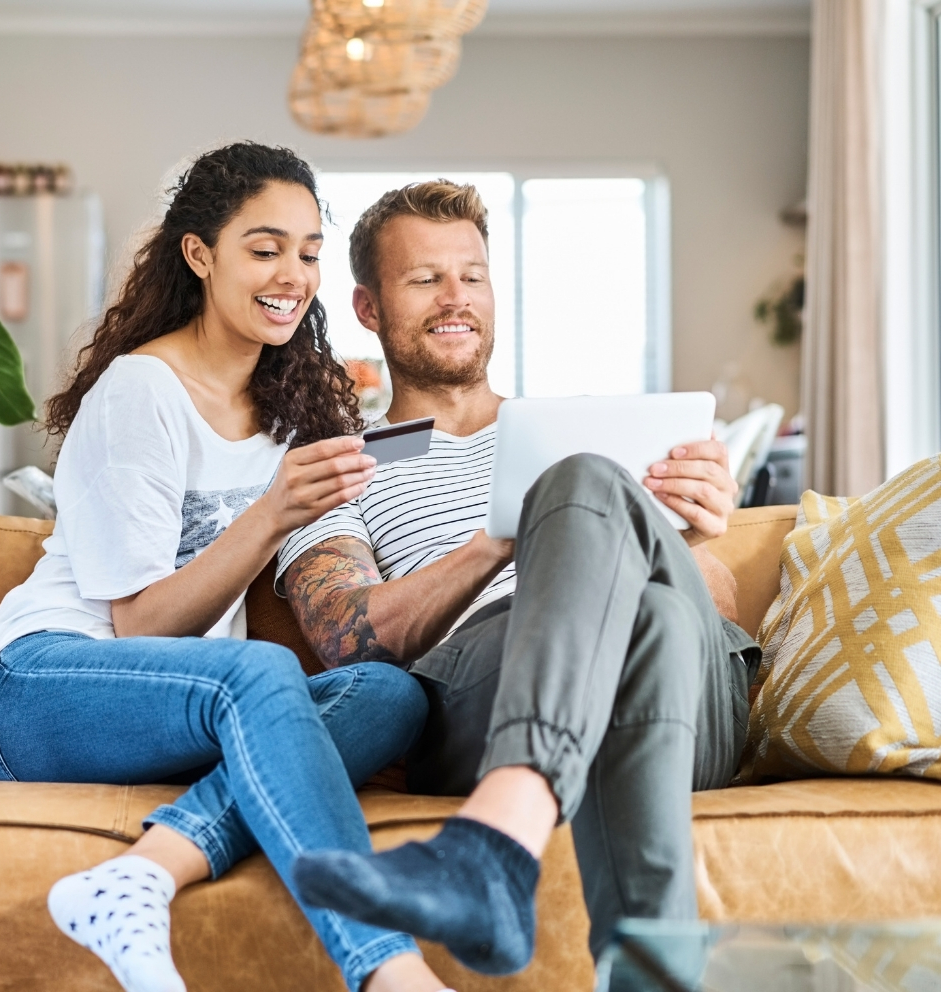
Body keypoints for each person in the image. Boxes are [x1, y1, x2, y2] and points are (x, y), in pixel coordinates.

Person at [0, 145, 457, 992]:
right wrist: (272, 513)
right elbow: (139, 626)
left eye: (308, 253)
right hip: (35, 686)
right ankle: (389, 969)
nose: (292, 275)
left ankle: (140, 874)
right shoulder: (140, 390)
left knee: (389, 695)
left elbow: (403, 473)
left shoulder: (290, 414)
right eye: (265, 249)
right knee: (259, 673)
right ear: (200, 254)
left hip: (181, 707)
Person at [278, 181, 759, 977]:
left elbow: (717, 608)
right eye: (425, 279)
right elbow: (348, 638)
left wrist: (692, 537)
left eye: (473, 275)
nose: (455, 297)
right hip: (482, 687)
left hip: (697, 701)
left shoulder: (590, 430)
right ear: (368, 307)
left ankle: (495, 846)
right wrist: (505, 540)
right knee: (646, 606)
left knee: (653, 596)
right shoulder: (345, 463)